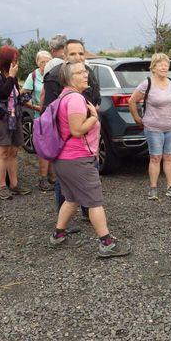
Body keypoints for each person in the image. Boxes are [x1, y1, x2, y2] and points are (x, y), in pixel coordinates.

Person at [48, 60, 130, 258]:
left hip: (64, 159)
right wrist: (94, 117)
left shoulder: (64, 96)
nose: (85, 75)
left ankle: (58, 236)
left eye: (85, 71)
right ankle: (107, 244)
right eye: (79, 72)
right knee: (94, 202)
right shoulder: (75, 99)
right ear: (69, 78)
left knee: (72, 198)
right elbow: (76, 130)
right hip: (78, 158)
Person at [41, 39, 100, 227]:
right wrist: (90, 118)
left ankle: (81, 215)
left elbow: (96, 98)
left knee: (78, 190)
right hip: (70, 145)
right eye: (73, 54)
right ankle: (71, 222)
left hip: (87, 144)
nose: (77, 57)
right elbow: (49, 111)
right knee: (67, 186)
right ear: (64, 56)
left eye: (81, 54)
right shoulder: (55, 76)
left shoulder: (88, 74)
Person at [128, 53, 171, 200]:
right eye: (160, 64)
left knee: (169, 157)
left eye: (166, 64)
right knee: (155, 157)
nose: (164, 67)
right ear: (153, 67)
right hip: (153, 127)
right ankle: (153, 188)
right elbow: (132, 101)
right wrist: (137, 119)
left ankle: (170, 187)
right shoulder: (147, 83)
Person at [0, 45, 28, 200]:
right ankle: (2, 187)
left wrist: (23, 97)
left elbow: (14, 95)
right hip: (1, 119)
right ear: (7, 60)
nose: (16, 62)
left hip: (14, 117)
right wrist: (10, 77)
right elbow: (3, 94)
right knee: (2, 153)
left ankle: (14, 184)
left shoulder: (13, 75)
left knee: (14, 152)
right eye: (14, 59)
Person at [22, 49, 55, 191]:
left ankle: (53, 176)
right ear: (37, 63)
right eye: (43, 62)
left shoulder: (55, 74)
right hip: (40, 118)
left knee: (54, 147)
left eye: (48, 61)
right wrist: (36, 107)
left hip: (55, 117)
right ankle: (42, 179)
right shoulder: (33, 76)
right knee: (43, 149)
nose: (46, 64)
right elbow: (23, 96)